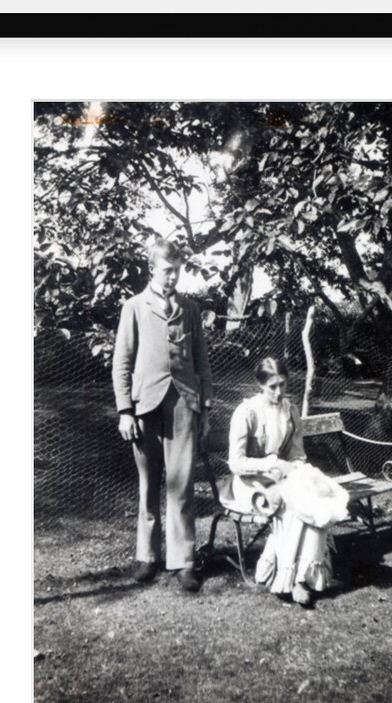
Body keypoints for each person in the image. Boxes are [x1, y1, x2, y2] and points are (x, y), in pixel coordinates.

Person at [112, 237, 213, 592]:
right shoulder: (134, 307)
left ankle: (184, 560)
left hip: (185, 405)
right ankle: (147, 556)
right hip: (145, 407)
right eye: (167, 271)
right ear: (152, 268)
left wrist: (206, 406)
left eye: (178, 271)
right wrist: (125, 410)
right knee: (148, 483)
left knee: (182, 484)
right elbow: (121, 363)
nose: (173, 278)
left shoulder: (191, 309)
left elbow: (201, 361)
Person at [225, 357, 350, 607]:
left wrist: (296, 470)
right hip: (247, 484)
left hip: (280, 478)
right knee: (291, 504)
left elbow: (297, 454)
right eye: (272, 386)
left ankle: (301, 577)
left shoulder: (289, 411)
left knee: (313, 498)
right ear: (260, 385)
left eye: (282, 384)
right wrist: (272, 464)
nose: (279, 392)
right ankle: (290, 579)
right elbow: (236, 463)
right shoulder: (247, 412)